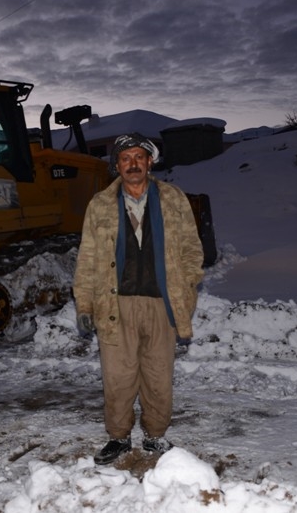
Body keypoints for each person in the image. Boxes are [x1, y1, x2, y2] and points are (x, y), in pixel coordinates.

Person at [73, 133, 204, 465]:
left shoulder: (174, 199)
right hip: (116, 305)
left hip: (162, 304)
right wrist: (85, 304)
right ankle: (118, 438)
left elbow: (192, 250)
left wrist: (187, 290)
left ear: (150, 162)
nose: (133, 164)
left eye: (139, 157)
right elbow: (87, 259)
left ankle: (155, 436)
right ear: (116, 165)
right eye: (125, 158)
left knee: (159, 375)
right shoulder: (100, 204)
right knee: (118, 377)